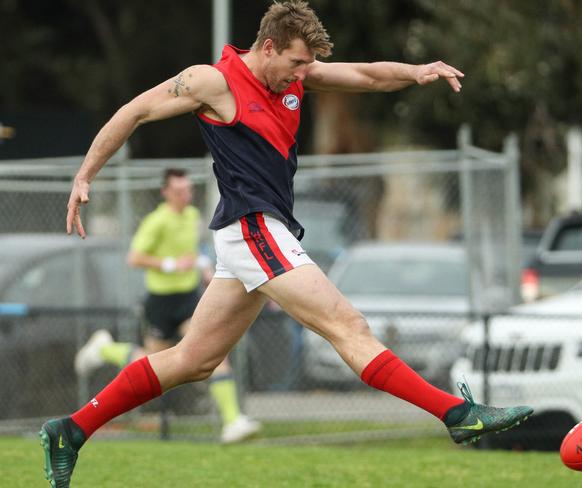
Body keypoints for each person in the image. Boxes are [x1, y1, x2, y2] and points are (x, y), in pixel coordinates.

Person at [41, 2, 533, 486]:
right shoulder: (214, 81)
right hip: (252, 226)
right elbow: (135, 111)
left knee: (194, 361)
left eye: (308, 65)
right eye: (297, 61)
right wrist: (85, 175)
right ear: (269, 46)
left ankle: (70, 431)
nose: (303, 73)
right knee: (348, 324)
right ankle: (457, 414)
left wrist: (417, 69)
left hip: (254, 235)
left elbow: (364, 76)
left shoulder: (294, 77)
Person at [73, 167, 261, 444]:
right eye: (179, 191)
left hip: (188, 300)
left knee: (215, 352)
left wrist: (204, 266)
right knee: (152, 363)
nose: (186, 195)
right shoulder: (156, 221)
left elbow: (194, 250)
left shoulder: (194, 216)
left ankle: (232, 421)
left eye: (188, 190)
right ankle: (105, 348)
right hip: (160, 303)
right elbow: (134, 258)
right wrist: (170, 264)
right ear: (165, 193)